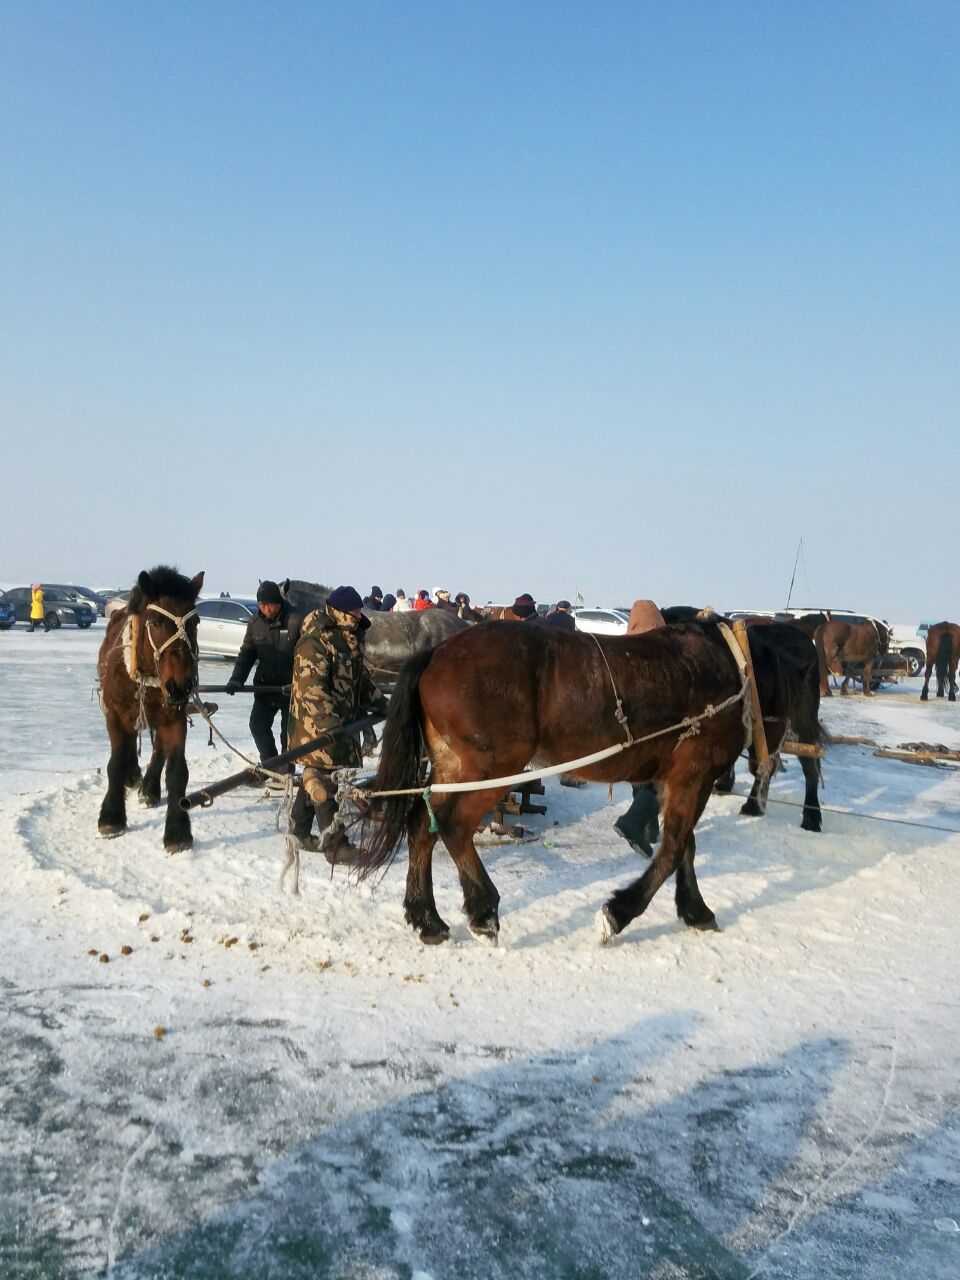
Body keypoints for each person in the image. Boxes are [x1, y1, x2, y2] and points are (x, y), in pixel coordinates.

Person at [287, 585, 389, 863]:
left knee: (313, 778)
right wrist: (329, 723)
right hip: (316, 726)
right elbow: (312, 687)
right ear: (341, 612)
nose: (359, 615)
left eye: (359, 611)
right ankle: (336, 845)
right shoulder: (317, 639)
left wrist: (384, 705)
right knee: (327, 782)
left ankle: (297, 832)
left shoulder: (349, 638)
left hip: (336, 724)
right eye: (355, 611)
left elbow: (360, 683)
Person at [225, 581, 302, 770]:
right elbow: (247, 654)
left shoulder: (296, 620)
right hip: (265, 687)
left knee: (289, 734)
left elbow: (309, 655)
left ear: (279, 602)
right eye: (262, 604)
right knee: (257, 726)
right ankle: (270, 765)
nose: (266, 609)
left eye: (270, 604)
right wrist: (236, 679)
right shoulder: (255, 623)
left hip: (291, 691)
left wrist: (303, 684)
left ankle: (286, 769)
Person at [613, 600, 667, 857]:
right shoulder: (660, 655)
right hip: (653, 730)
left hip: (628, 731)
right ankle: (634, 823)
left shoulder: (624, 654)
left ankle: (650, 828)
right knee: (662, 778)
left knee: (640, 777)